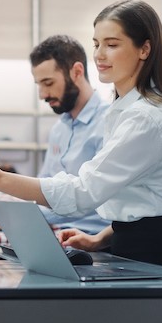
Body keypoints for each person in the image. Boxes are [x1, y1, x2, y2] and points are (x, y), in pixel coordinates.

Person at [0, 0, 162, 276]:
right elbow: (140, 203)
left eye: (112, 44)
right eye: (96, 44)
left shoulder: (146, 118)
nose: (100, 55)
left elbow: (83, 192)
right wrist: (101, 238)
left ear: (144, 49)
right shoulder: (124, 111)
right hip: (135, 248)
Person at [31, 34, 110, 234]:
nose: (42, 94)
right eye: (39, 85)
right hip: (54, 232)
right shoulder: (59, 129)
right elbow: (43, 186)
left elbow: (92, 198)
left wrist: (35, 214)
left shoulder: (110, 123)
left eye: (48, 83)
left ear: (76, 71)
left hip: (95, 242)